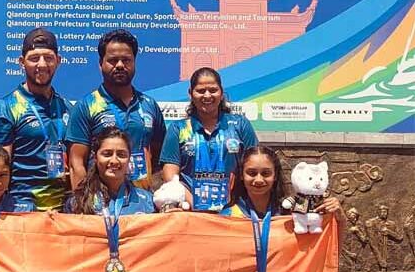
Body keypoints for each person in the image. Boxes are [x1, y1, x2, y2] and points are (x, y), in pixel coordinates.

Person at [66, 29, 166, 192]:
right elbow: (76, 163)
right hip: (100, 199)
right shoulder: (86, 106)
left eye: (126, 60)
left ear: (134, 62)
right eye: (113, 60)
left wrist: (153, 195)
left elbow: (160, 160)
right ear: (100, 64)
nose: (120, 65)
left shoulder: (149, 105)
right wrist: (85, 202)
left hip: (142, 200)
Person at [0, 28, 71, 211]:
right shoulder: (6, 108)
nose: (42, 64)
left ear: (58, 61)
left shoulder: (66, 107)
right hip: (22, 209)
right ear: (21, 62)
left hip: (63, 211)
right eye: (34, 58)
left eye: (48, 58)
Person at [160, 67, 258, 211]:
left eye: (213, 90)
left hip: (235, 209)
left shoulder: (240, 124)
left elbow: (256, 165)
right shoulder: (178, 128)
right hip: (191, 209)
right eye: (200, 91)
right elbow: (170, 175)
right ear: (190, 93)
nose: (207, 95)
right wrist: (194, 204)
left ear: (221, 93)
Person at [221, 145, 343, 220]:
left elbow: (325, 246)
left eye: (266, 173)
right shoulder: (228, 216)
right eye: (252, 173)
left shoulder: (293, 211)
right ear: (241, 175)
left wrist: (338, 217)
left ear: (275, 175)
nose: (259, 180)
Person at [66, 127, 155, 215]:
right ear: (95, 158)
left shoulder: (148, 201)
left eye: (121, 155)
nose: (114, 161)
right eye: (107, 154)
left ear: (129, 159)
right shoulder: (77, 202)